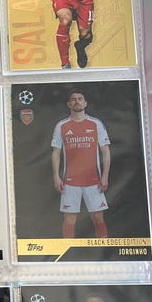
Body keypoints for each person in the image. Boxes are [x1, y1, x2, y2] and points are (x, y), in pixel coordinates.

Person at [51, 89, 110, 238]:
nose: (77, 101)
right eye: (73, 99)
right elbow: (56, 153)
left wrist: (105, 176)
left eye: (80, 98)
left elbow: (105, 151)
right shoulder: (61, 126)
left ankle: (103, 246)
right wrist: (56, 176)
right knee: (69, 220)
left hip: (94, 180)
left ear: (85, 103)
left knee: (98, 217)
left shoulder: (96, 124)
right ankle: (68, 248)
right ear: (69, 104)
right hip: (70, 182)